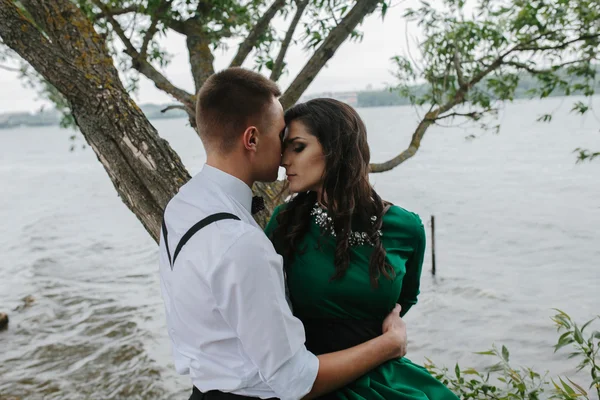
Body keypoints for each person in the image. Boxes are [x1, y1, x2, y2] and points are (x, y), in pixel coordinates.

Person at [158, 68, 409, 400]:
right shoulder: (241, 244)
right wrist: (389, 345)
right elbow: (296, 382)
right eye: (280, 137)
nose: (283, 155)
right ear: (251, 139)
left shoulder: (182, 205)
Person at [265, 98, 459, 400]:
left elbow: (406, 297)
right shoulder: (285, 224)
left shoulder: (406, 228)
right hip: (314, 380)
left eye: (298, 147)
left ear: (335, 149)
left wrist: (385, 333)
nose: (283, 160)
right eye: (285, 147)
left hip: (385, 377)